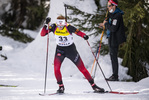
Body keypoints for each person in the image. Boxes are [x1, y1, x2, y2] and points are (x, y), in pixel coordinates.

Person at [40, 15, 105, 93]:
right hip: (60, 50)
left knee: (82, 69)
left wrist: (84, 35)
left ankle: (94, 86)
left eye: (62, 24)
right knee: (56, 69)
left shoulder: (69, 27)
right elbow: (43, 34)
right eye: (58, 24)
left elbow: (78, 32)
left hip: (71, 50)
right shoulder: (53, 26)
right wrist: (45, 24)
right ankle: (61, 87)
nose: (60, 26)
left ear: (65, 23)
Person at [99, 0, 126, 81]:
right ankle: (114, 75)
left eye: (109, 5)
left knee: (113, 56)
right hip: (111, 37)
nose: (108, 7)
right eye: (108, 5)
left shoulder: (117, 15)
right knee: (112, 56)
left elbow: (113, 28)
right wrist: (103, 25)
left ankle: (115, 76)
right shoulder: (111, 14)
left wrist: (106, 24)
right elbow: (109, 25)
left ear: (114, 6)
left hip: (115, 38)